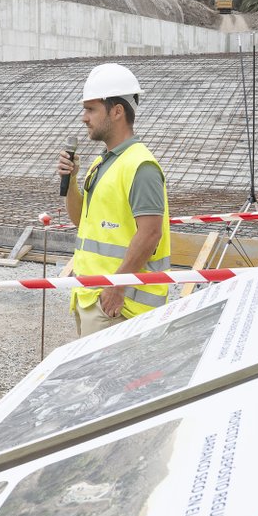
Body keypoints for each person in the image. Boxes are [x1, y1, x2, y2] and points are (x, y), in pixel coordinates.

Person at [57, 63, 170, 337]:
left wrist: (117, 287)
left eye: (91, 109)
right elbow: (80, 220)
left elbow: (151, 233)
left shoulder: (140, 166)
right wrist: (71, 180)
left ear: (117, 111)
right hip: (91, 297)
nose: (84, 117)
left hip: (118, 306)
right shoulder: (101, 163)